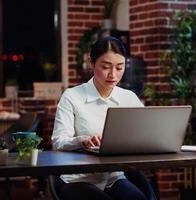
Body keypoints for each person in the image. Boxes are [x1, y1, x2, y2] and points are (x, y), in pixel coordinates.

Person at [52, 36, 148, 200]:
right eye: (105, 67)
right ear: (91, 62)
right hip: (77, 179)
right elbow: (58, 141)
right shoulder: (72, 96)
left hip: (113, 178)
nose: (113, 75)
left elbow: (145, 134)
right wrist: (82, 141)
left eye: (119, 67)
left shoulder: (129, 98)